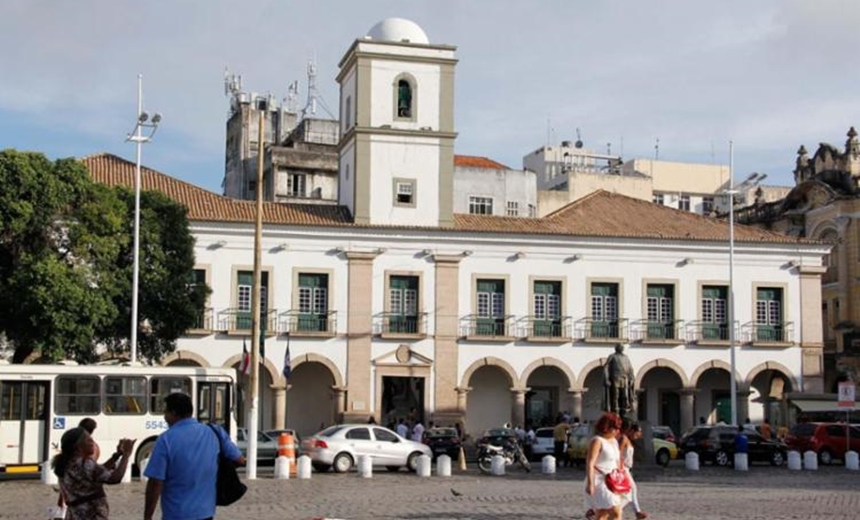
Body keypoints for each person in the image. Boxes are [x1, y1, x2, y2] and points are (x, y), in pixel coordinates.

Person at [144, 393, 244, 520]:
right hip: (206, 513)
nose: (165, 417)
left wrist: (147, 516)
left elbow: (155, 483)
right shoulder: (214, 432)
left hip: (176, 514)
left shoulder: (165, 440)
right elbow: (240, 460)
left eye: (165, 412)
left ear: (173, 413)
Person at [51, 426, 134, 520]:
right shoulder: (85, 464)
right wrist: (126, 454)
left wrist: (117, 455)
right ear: (78, 447)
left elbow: (97, 473)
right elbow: (115, 478)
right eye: (89, 440)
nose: (93, 444)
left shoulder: (66, 464)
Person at [584, 412, 629, 520]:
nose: (617, 431)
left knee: (602, 514)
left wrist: (621, 476)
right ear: (607, 427)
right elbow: (590, 463)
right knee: (615, 511)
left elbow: (616, 460)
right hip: (599, 481)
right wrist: (590, 484)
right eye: (615, 428)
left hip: (612, 480)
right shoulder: (597, 441)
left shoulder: (613, 441)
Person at [620, 422, 648, 520]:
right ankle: (636, 512)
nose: (636, 436)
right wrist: (619, 468)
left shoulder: (629, 440)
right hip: (622, 468)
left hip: (627, 468)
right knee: (632, 489)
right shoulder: (623, 438)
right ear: (631, 431)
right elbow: (618, 453)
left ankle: (614, 509)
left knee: (627, 491)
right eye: (635, 434)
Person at [603, 344, 635, 417]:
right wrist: (606, 378)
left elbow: (630, 368)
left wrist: (632, 377)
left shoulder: (626, 357)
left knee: (625, 396)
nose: (621, 348)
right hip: (615, 378)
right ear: (616, 348)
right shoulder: (612, 356)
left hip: (625, 378)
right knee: (615, 396)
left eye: (622, 347)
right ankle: (616, 412)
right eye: (620, 347)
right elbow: (606, 367)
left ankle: (624, 412)